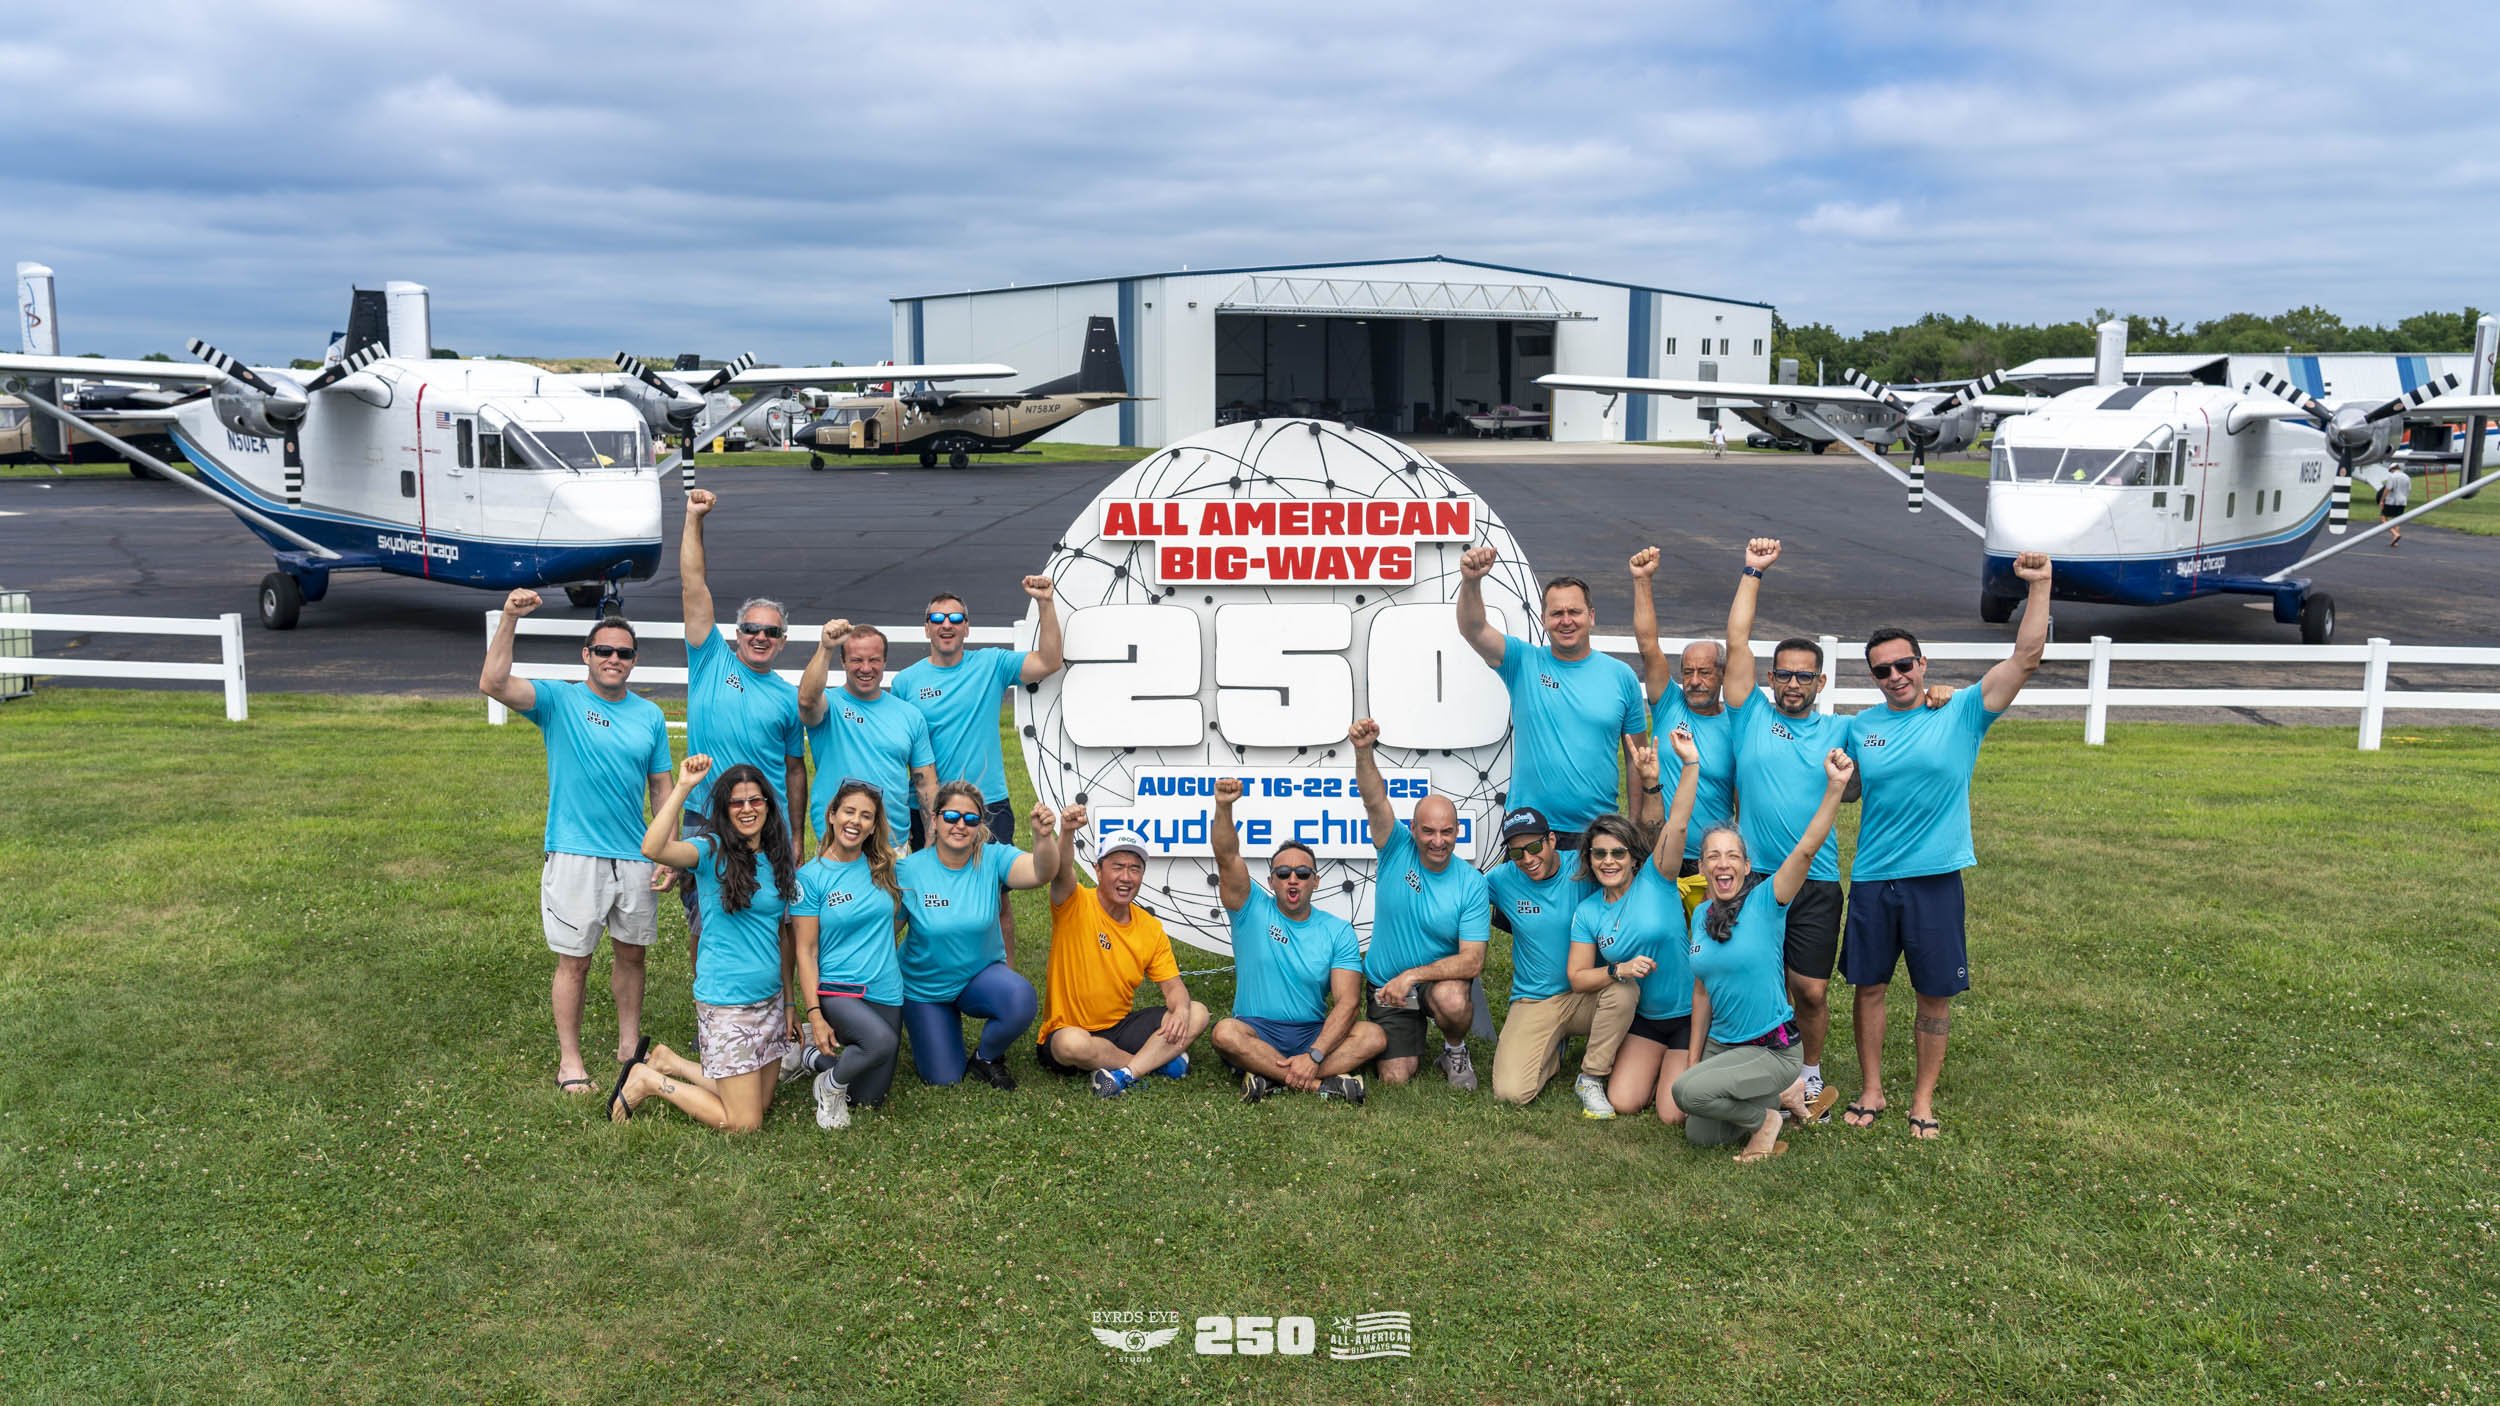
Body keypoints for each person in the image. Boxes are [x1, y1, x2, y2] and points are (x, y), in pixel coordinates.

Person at [1842, 552, 2054, 1139]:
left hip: (1935, 878)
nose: (1896, 676)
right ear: (1874, 678)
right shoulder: (1861, 727)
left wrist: (2040, 587)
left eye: (1904, 664)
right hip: (1872, 877)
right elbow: (1847, 787)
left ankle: (1923, 1100)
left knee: (1934, 995)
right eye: (1883, 671)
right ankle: (1871, 1090)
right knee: (1870, 987)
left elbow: (2026, 658)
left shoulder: (1962, 711)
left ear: (1922, 661)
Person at [479, 591, 674, 1096]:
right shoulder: (560, 701)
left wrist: (669, 850)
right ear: (585, 655)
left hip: (635, 855)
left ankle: (629, 1048)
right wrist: (509, 619)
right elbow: (493, 682)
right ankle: (571, 1062)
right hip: (574, 854)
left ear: (634, 661)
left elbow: (661, 788)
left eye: (624, 653)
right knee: (575, 961)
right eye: (604, 650)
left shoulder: (650, 716)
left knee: (632, 956)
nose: (614, 659)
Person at [1672, 748, 1856, 1162]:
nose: (1723, 864)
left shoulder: (1766, 901)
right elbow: (1702, 992)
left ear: (1747, 865)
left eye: (1732, 855)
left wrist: (1835, 788)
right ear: (1701, 865)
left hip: (1771, 1049)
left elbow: (1807, 849)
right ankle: (1780, 1101)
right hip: (1723, 1045)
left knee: (1685, 1092)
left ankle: (1766, 1120)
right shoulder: (1700, 913)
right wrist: (1693, 1058)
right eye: (1713, 856)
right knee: (1698, 1131)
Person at [613, 757, 800, 1131]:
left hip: (770, 1001)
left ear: (768, 803)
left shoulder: (777, 857)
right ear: (725, 809)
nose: (747, 809)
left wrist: (790, 1002)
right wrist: (683, 787)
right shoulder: (710, 850)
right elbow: (653, 848)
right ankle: (651, 1080)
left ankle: (669, 1061)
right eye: (737, 803)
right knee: (745, 1123)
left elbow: (783, 935)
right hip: (728, 1001)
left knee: (761, 1102)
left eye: (755, 800)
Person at [893, 579, 1065, 956]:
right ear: (926, 627)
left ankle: (1003, 981)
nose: (946, 624)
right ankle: (927, 971)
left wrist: (1045, 603)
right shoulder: (906, 682)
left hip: (989, 806)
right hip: (928, 808)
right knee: (920, 896)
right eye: (937, 617)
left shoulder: (991, 664)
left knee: (996, 899)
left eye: (956, 617)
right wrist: (927, 819)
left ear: (967, 626)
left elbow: (1049, 661)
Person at [675, 488, 806, 955]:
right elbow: (694, 584)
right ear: (737, 633)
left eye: (771, 631)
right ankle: (709, 1019)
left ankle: (782, 1014)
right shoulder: (709, 659)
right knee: (704, 918)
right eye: (752, 628)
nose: (760, 637)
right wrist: (694, 518)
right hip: (706, 817)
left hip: (765, 821)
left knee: (776, 918)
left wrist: (794, 836)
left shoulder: (789, 699)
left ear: (783, 641)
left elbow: (794, 770)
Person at [1207, 777, 1387, 1103]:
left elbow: (1347, 1003)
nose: (1293, 879)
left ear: (1315, 882)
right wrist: (1223, 806)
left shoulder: (1338, 930)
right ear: (1271, 881)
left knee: (1373, 1035)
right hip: (1255, 1029)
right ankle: (1321, 1086)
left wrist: (1315, 1054)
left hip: (1311, 1033)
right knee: (1225, 1032)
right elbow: (1226, 856)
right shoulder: (1250, 908)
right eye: (1283, 873)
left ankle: (1271, 1078)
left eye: (1303, 874)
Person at [1455, 546, 1649, 847]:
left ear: (1591, 616)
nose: (1566, 620)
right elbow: (1474, 629)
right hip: (1530, 829)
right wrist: (1471, 581)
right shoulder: (1522, 662)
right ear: (1544, 619)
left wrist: (1632, 827)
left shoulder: (1621, 676)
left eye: (1575, 611)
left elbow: (1638, 760)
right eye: (1556, 613)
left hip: (1596, 832)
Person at [1569, 732, 1708, 1120]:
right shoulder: (1589, 912)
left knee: (1673, 1113)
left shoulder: (1657, 879)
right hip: (1644, 1020)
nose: (1608, 861)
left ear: (1633, 858)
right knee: (1625, 1102)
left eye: (1618, 853)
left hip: (1687, 1016)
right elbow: (1578, 978)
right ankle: (1653, 1069)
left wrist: (1688, 764)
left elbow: (1676, 825)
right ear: (1589, 858)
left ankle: (1675, 1070)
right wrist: (1619, 970)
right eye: (1599, 854)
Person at [1347, 718, 1489, 1089]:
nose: (1437, 841)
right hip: (1386, 986)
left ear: (1458, 832)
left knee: (1454, 1002)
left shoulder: (1471, 883)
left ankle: (1453, 1048)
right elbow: (1374, 797)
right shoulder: (1395, 848)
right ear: (1413, 829)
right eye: (1428, 831)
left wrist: (1412, 975)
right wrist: (1364, 752)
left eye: (1446, 832)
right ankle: (1407, 1033)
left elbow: (1473, 960)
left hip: (1429, 984)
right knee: (1395, 1077)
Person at [1035, 807, 1209, 1098]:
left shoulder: (1149, 928)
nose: (1126, 877)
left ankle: (1125, 1074)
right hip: (1067, 1030)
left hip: (1120, 1029)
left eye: (1135, 868)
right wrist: (1066, 831)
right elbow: (1062, 870)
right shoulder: (1074, 903)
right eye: (1117, 867)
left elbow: (1173, 986)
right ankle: (1152, 1062)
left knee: (1197, 1013)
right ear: (1098, 869)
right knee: (1073, 1045)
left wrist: (1179, 1009)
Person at [896, 781, 1060, 1088]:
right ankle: (936, 1028)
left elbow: (1042, 872)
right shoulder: (908, 871)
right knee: (943, 1078)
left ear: (979, 824)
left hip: (978, 978)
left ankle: (986, 1057)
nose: (960, 825)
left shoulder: (993, 858)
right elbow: (885, 932)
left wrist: (1043, 838)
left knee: (1020, 998)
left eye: (971, 819)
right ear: (934, 819)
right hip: (924, 989)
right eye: (951, 817)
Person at [1484, 805, 1629, 1116]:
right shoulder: (1501, 880)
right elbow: (1462, 895)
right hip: (1534, 999)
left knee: (1624, 990)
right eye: (1517, 852)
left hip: (1587, 993)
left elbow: (1630, 871)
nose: (1527, 859)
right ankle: (1553, 1048)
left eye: (1535, 847)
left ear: (1551, 840)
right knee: (1511, 1094)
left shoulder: (1584, 869)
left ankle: (1591, 1076)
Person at [789, 780, 908, 1130]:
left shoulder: (884, 866)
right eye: (849, 811)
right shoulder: (809, 879)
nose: (856, 821)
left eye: (866, 815)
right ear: (832, 815)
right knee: (881, 1042)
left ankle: (810, 1056)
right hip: (839, 990)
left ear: (874, 826)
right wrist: (815, 1011)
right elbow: (806, 950)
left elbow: (897, 917)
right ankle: (829, 1085)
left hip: (886, 988)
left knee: (868, 1098)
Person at [1630, 544, 1738, 875]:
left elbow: (1744, 804)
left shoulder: (1738, 726)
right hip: (1657, 854)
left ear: (1722, 673)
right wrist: (1642, 580)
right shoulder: (1669, 704)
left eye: (1704, 672)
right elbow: (1648, 645)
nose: (1693, 681)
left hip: (1710, 862)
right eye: (1687, 672)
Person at [798, 620, 937, 852]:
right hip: (837, 844)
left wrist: (933, 836)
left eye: (873, 660)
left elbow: (926, 783)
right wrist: (826, 648)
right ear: (843, 662)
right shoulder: (830, 706)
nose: (865, 668)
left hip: (893, 845)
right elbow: (806, 700)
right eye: (856, 660)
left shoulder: (910, 715)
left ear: (884, 662)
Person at [2381, 464, 2410, 547]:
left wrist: (2382, 500)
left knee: (2383, 517)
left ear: (2392, 469)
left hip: (2392, 501)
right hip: (2402, 501)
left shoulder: (2392, 476)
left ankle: (2395, 534)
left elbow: (2388, 488)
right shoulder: (2407, 476)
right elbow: (2409, 489)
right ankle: (2395, 540)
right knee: (2397, 519)